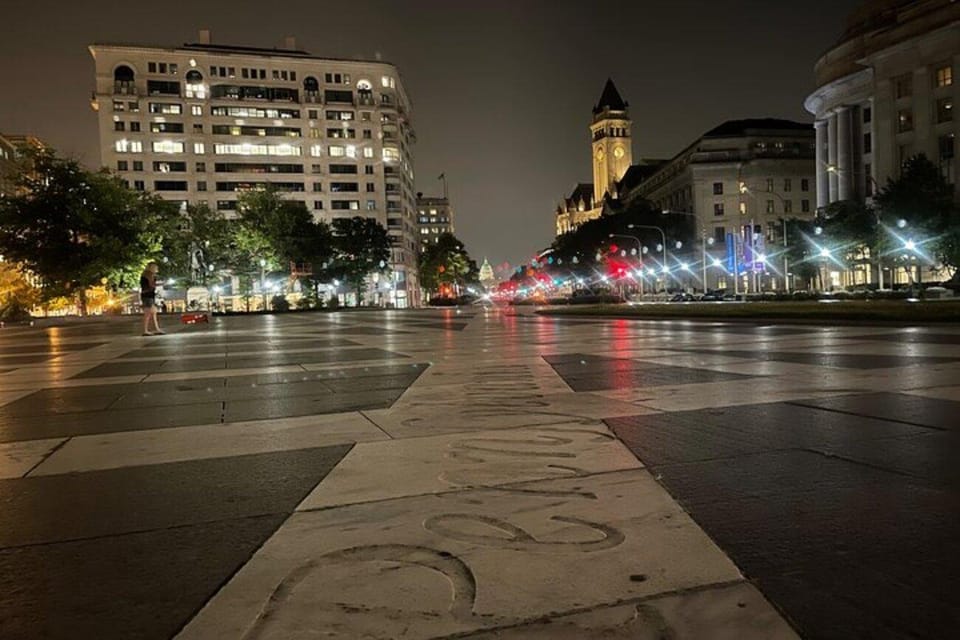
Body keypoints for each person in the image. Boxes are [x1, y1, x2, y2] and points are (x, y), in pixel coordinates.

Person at [140, 262, 165, 336]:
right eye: (155, 267)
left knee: (153, 312)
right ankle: (146, 330)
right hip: (148, 296)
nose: (156, 269)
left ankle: (156, 329)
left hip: (148, 295)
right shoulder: (149, 275)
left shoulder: (146, 275)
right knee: (148, 313)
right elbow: (151, 285)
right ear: (151, 268)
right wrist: (161, 284)